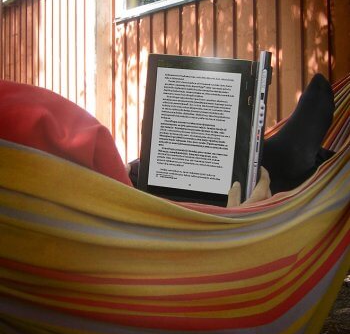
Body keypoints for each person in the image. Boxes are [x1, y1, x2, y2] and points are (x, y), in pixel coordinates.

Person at [0, 73, 335, 207]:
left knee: (151, 172)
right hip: (114, 215)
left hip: (92, 189)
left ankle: (272, 161)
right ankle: (280, 167)